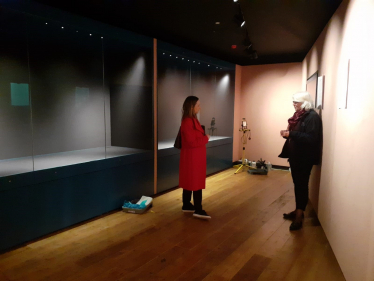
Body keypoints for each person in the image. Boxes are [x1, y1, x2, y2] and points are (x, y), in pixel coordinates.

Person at [279, 91, 322, 231]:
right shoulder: (300, 116)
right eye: (293, 101)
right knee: (298, 184)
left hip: (304, 158)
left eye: (296, 102)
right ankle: (299, 210)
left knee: (301, 185)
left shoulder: (312, 117)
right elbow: (300, 135)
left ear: (304, 102)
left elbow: (311, 138)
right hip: (296, 156)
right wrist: (288, 135)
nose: (294, 104)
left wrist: (291, 134)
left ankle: (299, 215)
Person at [179, 96, 211, 219]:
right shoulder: (188, 121)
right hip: (193, 158)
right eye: (198, 105)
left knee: (190, 181)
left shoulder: (191, 120)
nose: (200, 107)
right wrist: (206, 138)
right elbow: (192, 142)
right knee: (195, 182)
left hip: (194, 157)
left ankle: (186, 204)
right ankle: (198, 208)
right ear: (191, 107)